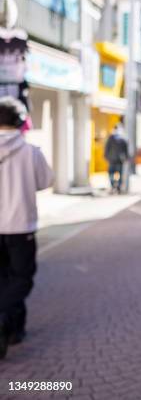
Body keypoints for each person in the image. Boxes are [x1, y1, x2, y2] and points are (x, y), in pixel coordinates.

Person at [0, 96, 53, 359]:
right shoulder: (31, 152)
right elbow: (45, 181)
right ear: (20, 121)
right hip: (21, 226)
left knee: (3, 279)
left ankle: (14, 328)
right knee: (21, 278)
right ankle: (5, 320)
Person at [104, 125, 128, 194]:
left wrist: (106, 156)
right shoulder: (119, 138)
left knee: (114, 173)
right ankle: (115, 186)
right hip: (115, 160)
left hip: (115, 160)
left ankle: (116, 186)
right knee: (115, 173)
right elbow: (107, 148)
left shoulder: (114, 138)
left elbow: (106, 148)